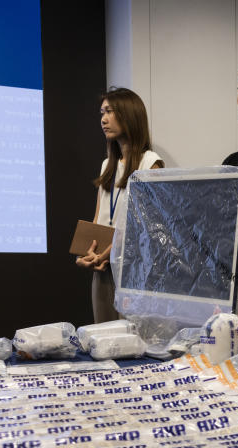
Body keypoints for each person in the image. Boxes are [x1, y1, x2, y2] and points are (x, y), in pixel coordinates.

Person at [76, 87, 164, 323]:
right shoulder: (108, 164)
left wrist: (108, 253)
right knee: (104, 340)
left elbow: (147, 226)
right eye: (101, 112)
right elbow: (98, 218)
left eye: (110, 111)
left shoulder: (150, 163)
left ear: (129, 115)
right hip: (103, 269)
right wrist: (87, 253)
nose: (103, 119)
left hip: (133, 269)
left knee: (131, 342)